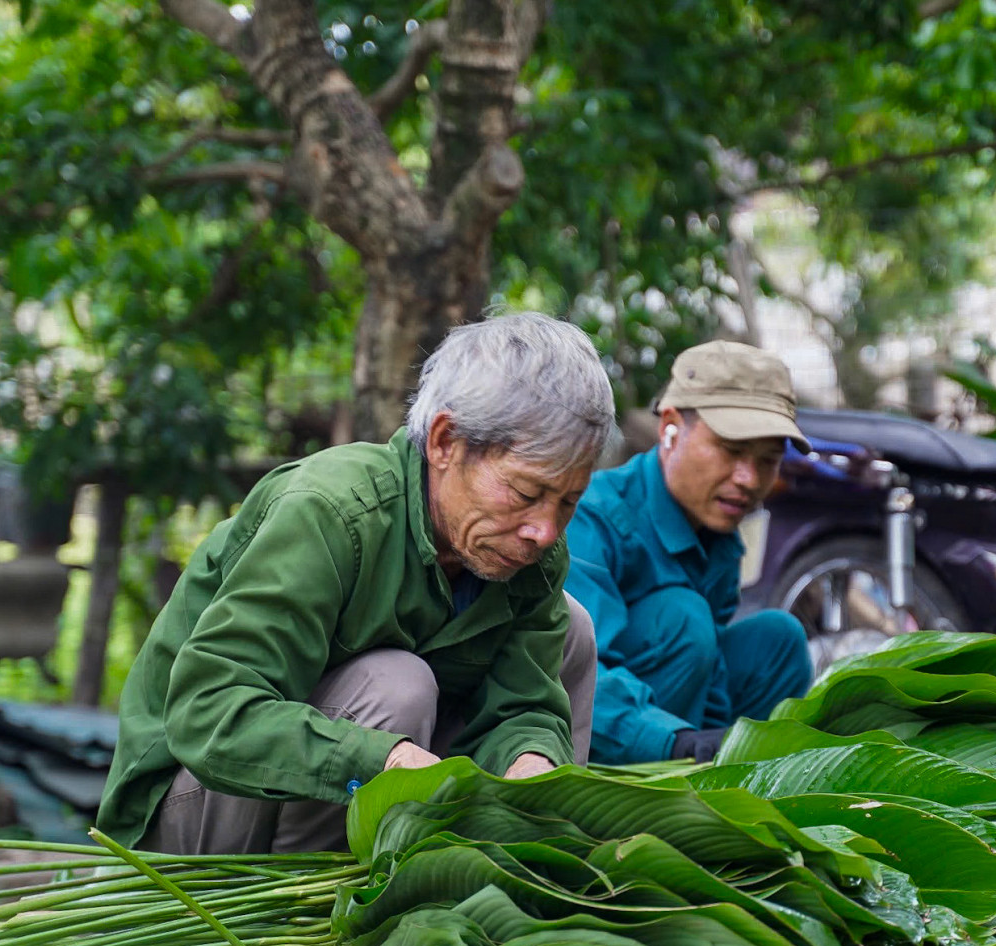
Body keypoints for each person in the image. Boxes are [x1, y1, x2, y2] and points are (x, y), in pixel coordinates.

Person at [96, 312, 611, 853]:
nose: (544, 529)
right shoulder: (328, 514)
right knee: (396, 685)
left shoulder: (531, 548)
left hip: (338, 795)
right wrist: (382, 760)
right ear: (444, 442)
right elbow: (208, 714)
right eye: (526, 493)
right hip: (191, 817)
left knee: (573, 629)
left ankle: (517, 860)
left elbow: (523, 706)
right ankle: (304, 906)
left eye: (568, 501)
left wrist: (530, 761)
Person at [566, 341, 814, 764]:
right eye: (732, 452)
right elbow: (575, 677)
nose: (748, 479)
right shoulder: (592, 517)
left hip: (679, 725)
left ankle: (748, 787)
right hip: (586, 739)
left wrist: (712, 744)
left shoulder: (721, 535)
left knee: (779, 639)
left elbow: (712, 672)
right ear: (671, 427)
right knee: (683, 616)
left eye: (767, 461)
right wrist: (676, 742)